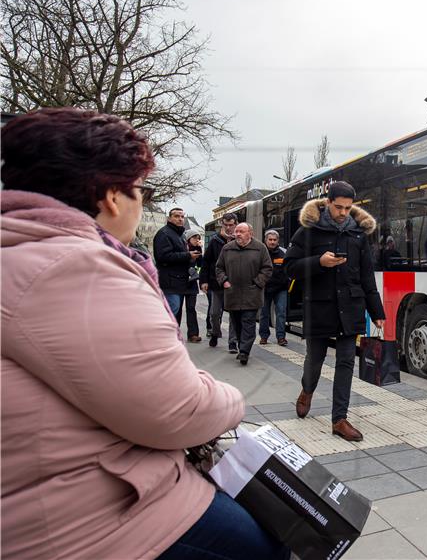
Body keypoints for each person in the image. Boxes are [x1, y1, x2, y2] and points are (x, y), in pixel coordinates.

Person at [0, 108, 288, 560]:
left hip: (46, 498)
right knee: (273, 540)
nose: (141, 203)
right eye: (140, 190)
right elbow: (179, 410)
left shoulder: (22, 250)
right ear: (113, 196)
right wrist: (231, 398)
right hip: (91, 515)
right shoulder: (77, 267)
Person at [285, 181, 386, 442]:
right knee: (314, 360)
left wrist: (377, 311)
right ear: (327, 202)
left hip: (350, 307)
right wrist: (319, 262)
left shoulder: (358, 234)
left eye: (347, 208)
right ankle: (307, 390)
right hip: (319, 306)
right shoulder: (309, 231)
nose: (343, 212)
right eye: (338, 207)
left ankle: (339, 419)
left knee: (345, 362)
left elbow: (367, 275)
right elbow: (290, 267)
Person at [216, 223, 272, 366]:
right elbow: (219, 268)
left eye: (241, 231)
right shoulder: (227, 248)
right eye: (237, 231)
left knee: (248, 322)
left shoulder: (260, 248)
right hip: (232, 293)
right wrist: (224, 281)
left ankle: (244, 352)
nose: (238, 234)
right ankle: (242, 346)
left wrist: (258, 283)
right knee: (236, 323)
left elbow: (267, 268)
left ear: (250, 233)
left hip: (251, 293)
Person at [153, 207, 201, 324]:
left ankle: (171, 338)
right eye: (176, 216)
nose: (180, 219)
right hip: (169, 282)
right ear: (169, 218)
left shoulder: (180, 235)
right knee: (171, 313)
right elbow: (163, 257)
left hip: (179, 282)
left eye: (182, 216)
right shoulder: (164, 233)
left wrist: (191, 256)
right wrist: (187, 255)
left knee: (175, 314)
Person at [201, 213, 238, 351]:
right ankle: (215, 333)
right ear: (222, 225)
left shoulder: (240, 240)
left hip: (234, 284)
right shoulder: (215, 240)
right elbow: (206, 261)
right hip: (216, 283)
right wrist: (203, 280)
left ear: (235, 224)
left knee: (234, 314)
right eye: (226, 225)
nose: (228, 228)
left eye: (231, 225)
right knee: (215, 313)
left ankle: (233, 342)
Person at [259, 229, 289, 346]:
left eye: (274, 240)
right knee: (264, 313)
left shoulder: (284, 253)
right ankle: (264, 337)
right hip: (264, 288)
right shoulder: (260, 253)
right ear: (265, 240)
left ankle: (281, 337)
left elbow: (289, 269)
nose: (272, 242)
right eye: (270, 240)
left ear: (278, 241)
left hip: (280, 289)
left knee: (281, 312)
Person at [183, 229, 204, 343]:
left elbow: (201, 264)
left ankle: (193, 334)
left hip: (192, 282)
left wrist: (199, 255)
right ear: (188, 239)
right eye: (195, 238)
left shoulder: (198, 249)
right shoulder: (183, 249)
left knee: (191, 308)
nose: (197, 240)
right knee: (177, 309)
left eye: (198, 238)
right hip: (181, 282)